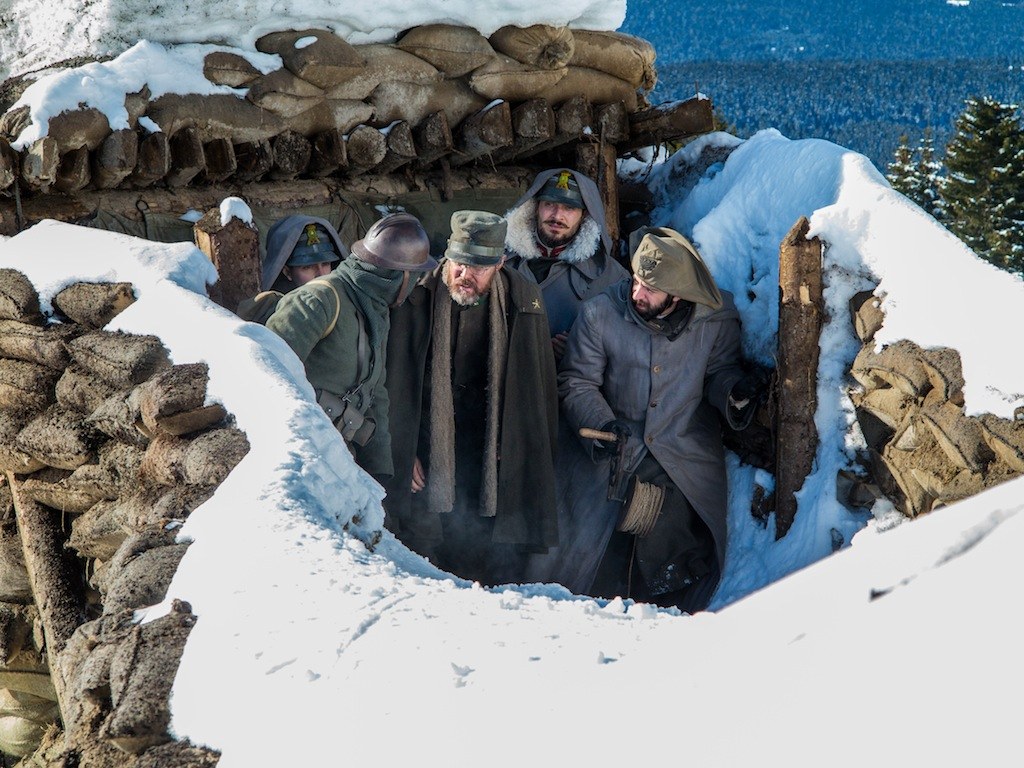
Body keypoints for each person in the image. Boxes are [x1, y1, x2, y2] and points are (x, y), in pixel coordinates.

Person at [554, 227, 769, 613]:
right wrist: (602, 425)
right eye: (636, 281)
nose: (637, 293)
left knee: (678, 532)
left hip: (683, 445)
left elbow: (718, 371)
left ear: (678, 293)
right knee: (592, 541)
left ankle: (668, 605)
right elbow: (577, 381)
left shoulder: (715, 321)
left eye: (650, 289)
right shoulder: (600, 312)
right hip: (615, 442)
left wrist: (733, 392)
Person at [383, 210, 559, 586]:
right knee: (424, 555)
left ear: (500, 263)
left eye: (479, 267)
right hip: (429, 451)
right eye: (460, 264)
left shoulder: (523, 301)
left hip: (489, 456)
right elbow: (393, 387)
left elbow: (534, 393)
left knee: (488, 559)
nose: (466, 276)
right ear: (447, 256)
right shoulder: (415, 297)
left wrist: (511, 442)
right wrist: (404, 450)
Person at [266, 212, 437, 478]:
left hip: (342, 454)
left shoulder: (372, 307)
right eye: (413, 276)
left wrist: (382, 473)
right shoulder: (319, 299)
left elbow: (375, 394)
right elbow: (267, 374)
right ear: (400, 276)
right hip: (302, 459)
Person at [503, 168, 628, 360]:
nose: (557, 216)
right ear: (536, 207)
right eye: (549, 204)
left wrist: (583, 346)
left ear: (584, 215)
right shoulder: (501, 263)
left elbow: (629, 343)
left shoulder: (612, 278)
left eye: (569, 208)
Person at [237, 215, 347, 323]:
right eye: (307, 267)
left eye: (326, 264)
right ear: (287, 272)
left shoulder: (346, 304)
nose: (321, 274)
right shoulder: (271, 313)